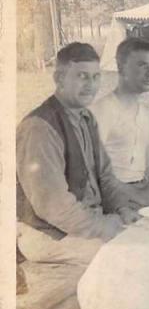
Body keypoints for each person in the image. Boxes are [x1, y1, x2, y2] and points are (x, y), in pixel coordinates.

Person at [17, 42, 142, 266]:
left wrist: (122, 209)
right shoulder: (40, 127)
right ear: (59, 78)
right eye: (82, 76)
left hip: (84, 223)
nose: (91, 86)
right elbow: (54, 206)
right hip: (50, 235)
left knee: (148, 237)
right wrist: (103, 225)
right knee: (132, 256)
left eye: (96, 77)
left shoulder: (86, 118)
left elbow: (105, 177)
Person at [91, 38, 149, 207]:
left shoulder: (144, 113)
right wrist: (140, 197)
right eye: (142, 65)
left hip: (142, 188)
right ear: (121, 68)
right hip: (111, 196)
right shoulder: (103, 110)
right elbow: (94, 172)